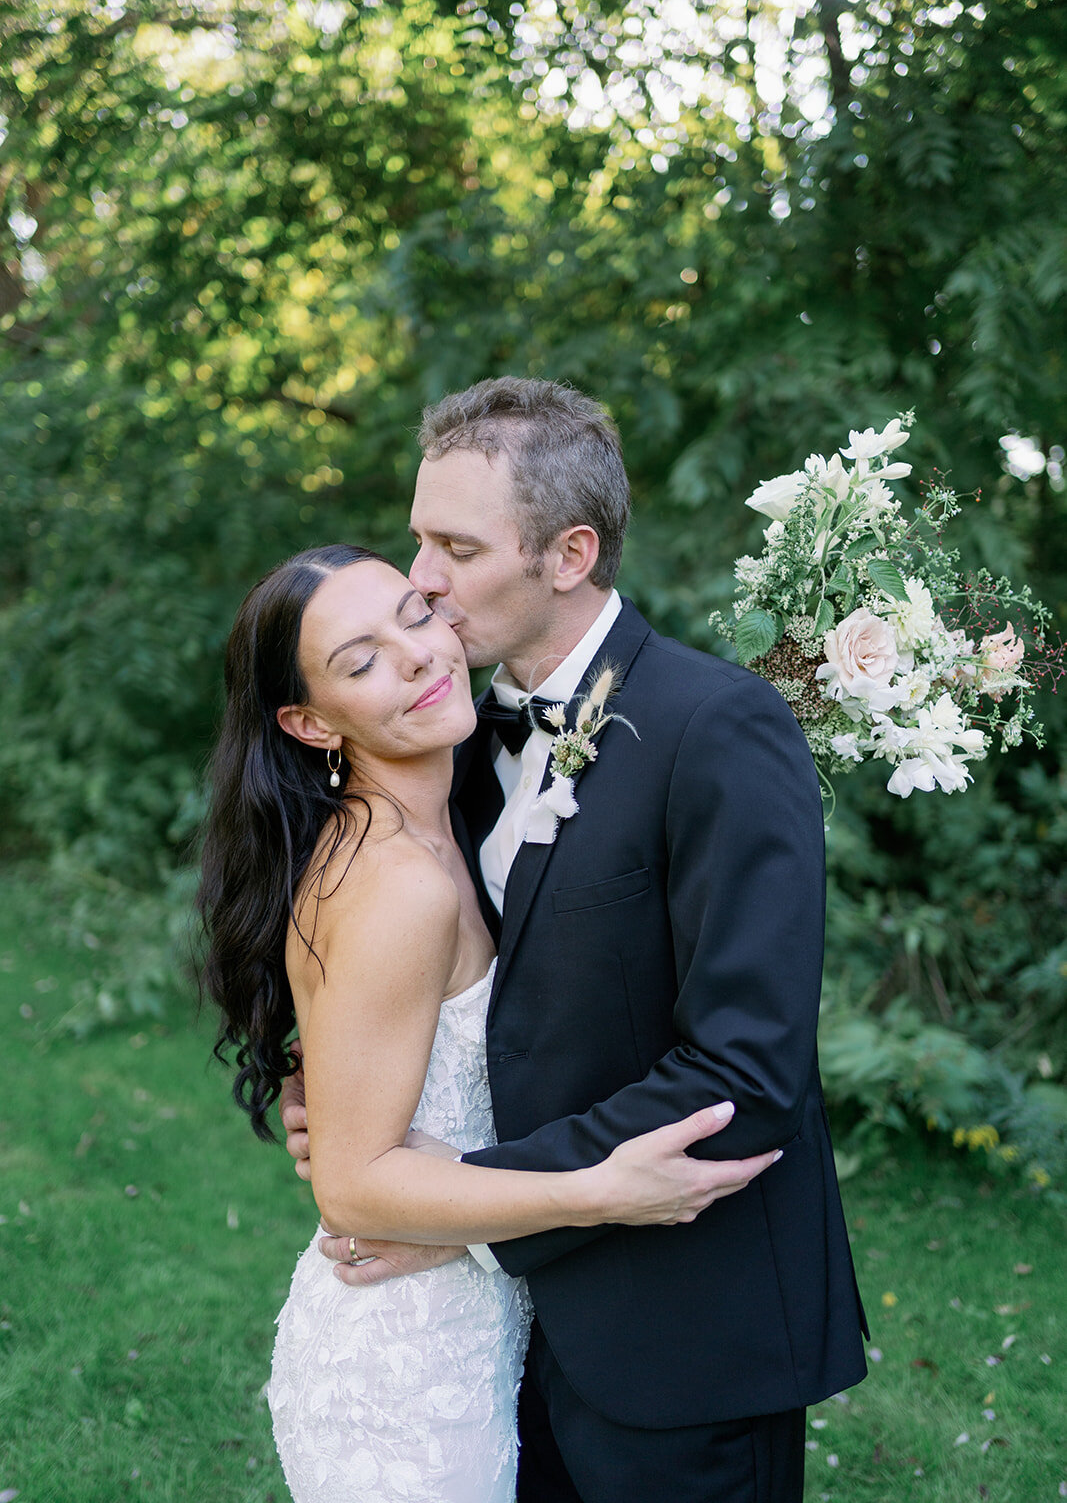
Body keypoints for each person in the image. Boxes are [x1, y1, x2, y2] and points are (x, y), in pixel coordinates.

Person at [284, 377, 868, 1503]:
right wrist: (348, 1108)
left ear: (566, 555)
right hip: (508, 1348)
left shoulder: (719, 728)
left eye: (455, 546)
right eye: (418, 539)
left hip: (682, 1337)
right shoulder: (448, 740)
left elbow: (742, 1076)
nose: (422, 581)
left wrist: (460, 1212)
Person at [196, 543, 784, 1503]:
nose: (418, 655)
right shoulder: (395, 885)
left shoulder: (450, 808)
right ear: (307, 722)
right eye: (362, 661)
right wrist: (597, 1189)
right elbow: (353, 1188)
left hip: (488, 1319)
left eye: (413, 616)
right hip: (410, 1366)